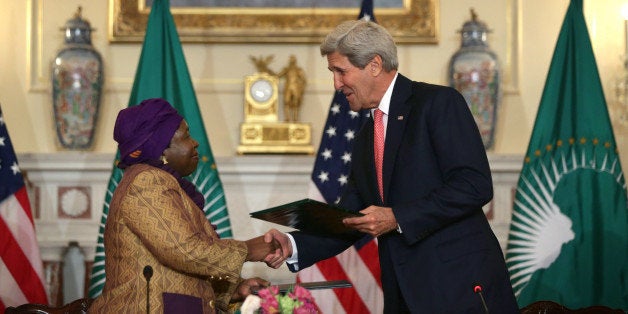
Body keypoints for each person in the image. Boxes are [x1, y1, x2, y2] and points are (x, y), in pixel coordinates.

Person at [265, 20, 519, 313]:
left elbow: (474, 184)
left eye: (341, 71)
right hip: (403, 295)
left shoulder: (437, 103)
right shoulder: (365, 137)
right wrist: (293, 244)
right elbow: (349, 217)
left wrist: (397, 217)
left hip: (458, 288)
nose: (336, 84)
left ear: (374, 65)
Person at [89, 98, 281, 313]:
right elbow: (183, 251)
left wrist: (234, 289)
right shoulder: (147, 181)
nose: (195, 143)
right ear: (161, 148)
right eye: (186, 135)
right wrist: (249, 250)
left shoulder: (164, 183)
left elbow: (183, 271)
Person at [277, 55, 307, 122]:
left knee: (296, 104)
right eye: (291, 59)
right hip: (288, 88)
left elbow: (304, 80)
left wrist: (301, 89)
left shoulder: (299, 70)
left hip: (296, 88)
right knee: (286, 102)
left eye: (293, 59)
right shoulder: (286, 69)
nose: (292, 61)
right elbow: (277, 76)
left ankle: (295, 118)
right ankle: (287, 118)